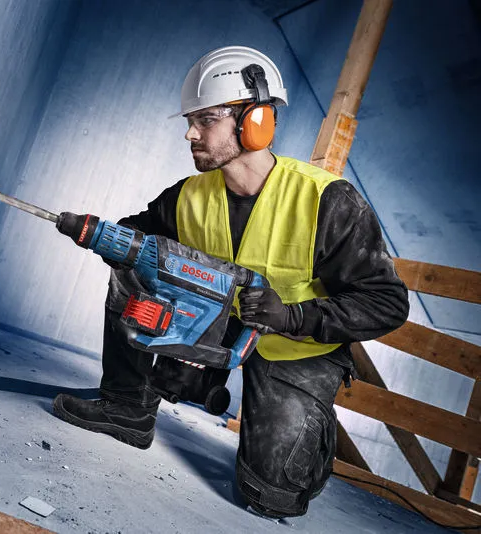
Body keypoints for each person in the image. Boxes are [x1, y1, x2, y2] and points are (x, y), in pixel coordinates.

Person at [52, 45, 409, 518]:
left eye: (205, 121)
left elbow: (387, 303)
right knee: (134, 263)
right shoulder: (188, 195)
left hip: (294, 347)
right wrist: (100, 235)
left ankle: (303, 443)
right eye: (190, 120)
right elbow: (133, 237)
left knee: (271, 497)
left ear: (254, 121)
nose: (189, 133)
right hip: (218, 329)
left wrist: (295, 316)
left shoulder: (327, 201)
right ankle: (127, 408)